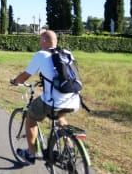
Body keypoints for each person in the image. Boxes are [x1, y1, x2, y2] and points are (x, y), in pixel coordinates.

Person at [9, 30, 80, 165]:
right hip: (73, 99)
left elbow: (25, 75)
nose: (40, 43)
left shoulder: (41, 55)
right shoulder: (67, 53)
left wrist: (15, 81)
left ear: (45, 41)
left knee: (30, 117)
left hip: (53, 100)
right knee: (60, 116)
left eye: (40, 40)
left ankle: (30, 154)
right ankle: (69, 148)